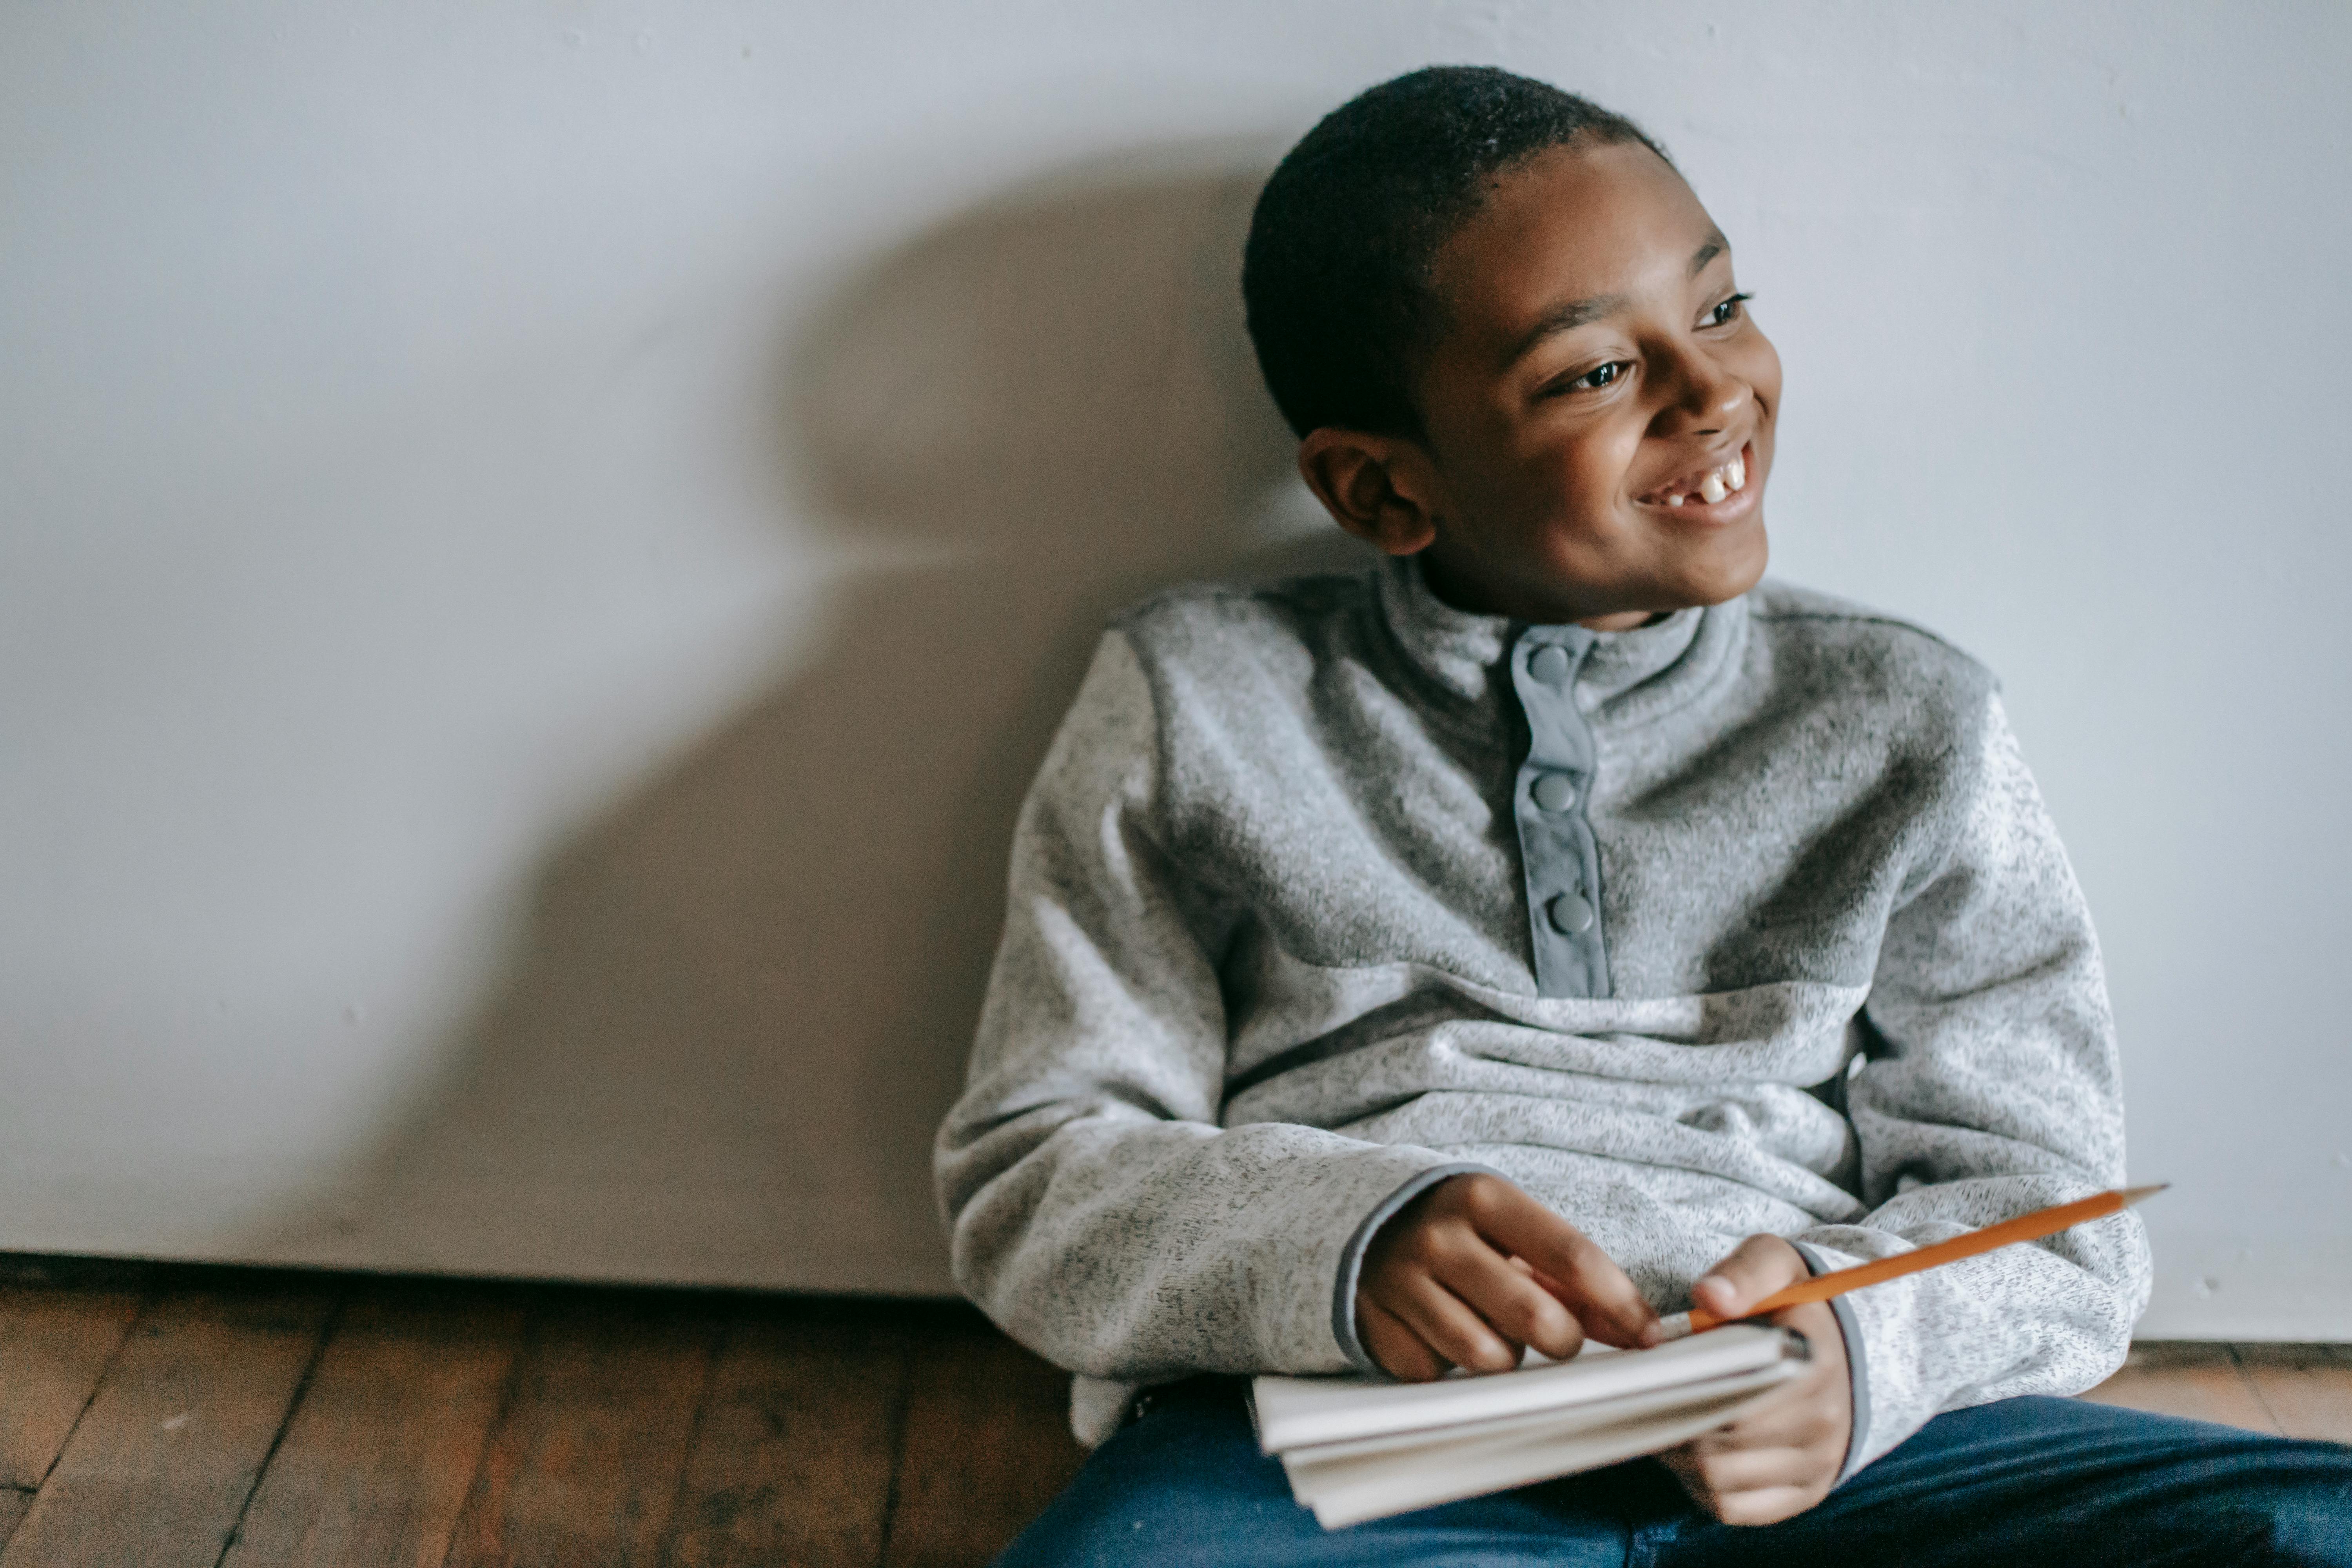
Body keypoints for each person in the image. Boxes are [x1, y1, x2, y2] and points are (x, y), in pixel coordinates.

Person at [935, 64, 2352, 1564]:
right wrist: (1338, 1252)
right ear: (1380, 488)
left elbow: (2059, 1213)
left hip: (1852, 1442)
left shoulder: (1911, 717)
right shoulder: (1195, 696)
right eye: (1593, 373)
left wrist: (1855, 1352)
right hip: (1350, 1447)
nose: (1714, 391)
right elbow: (1040, 1171)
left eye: (1723, 307)